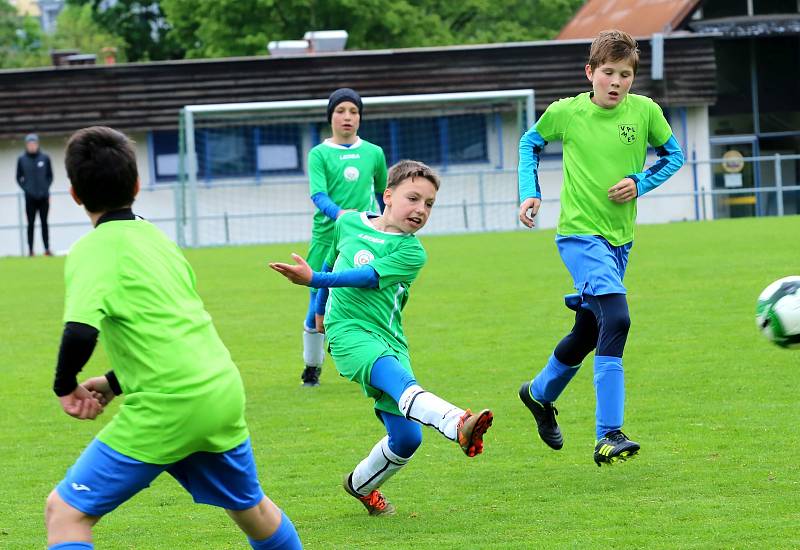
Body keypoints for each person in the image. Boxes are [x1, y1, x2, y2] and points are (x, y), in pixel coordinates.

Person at [45, 126, 302, 550]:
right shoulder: (158, 240)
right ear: (137, 186)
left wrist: (64, 385)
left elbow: (79, 332)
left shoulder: (91, 250)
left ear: (74, 194)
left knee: (65, 512)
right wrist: (113, 382)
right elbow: (172, 331)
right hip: (218, 391)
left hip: (170, 405)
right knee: (253, 510)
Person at [270, 160, 493, 516]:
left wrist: (314, 281)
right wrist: (319, 308)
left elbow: (365, 276)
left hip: (389, 338)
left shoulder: (411, 251)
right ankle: (457, 423)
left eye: (429, 204)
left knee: (407, 438)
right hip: (348, 333)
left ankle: (360, 485)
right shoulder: (347, 222)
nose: (421, 210)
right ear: (388, 195)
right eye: (414, 198)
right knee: (401, 383)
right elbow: (329, 264)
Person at [516, 30, 685, 467]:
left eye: (625, 74)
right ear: (590, 72)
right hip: (579, 234)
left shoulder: (645, 112)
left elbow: (674, 155)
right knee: (619, 318)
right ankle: (608, 433)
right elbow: (529, 143)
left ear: (633, 77)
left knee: (590, 330)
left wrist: (639, 183)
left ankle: (538, 394)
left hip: (620, 240)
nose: (615, 81)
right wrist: (529, 191)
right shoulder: (566, 113)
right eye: (608, 72)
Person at [300, 88, 388, 387]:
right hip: (327, 236)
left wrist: (390, 224)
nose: (347, 117)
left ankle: (369, 360)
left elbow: (383, 194)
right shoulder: (319, 154)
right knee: (316, 303)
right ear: (331, 117)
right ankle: (312, 366)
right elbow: (318, 194)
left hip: (363, 239)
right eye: (341, 111)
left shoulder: (374, 152)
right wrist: (342, 216)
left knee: (362, 297)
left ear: (360, 117)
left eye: (353, 111)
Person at [16, 133, 54, 256]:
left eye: (34, 143)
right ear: (26, 145)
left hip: (44, 197)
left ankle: (47, 249)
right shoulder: (21, 159)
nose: (32, 146)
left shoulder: (45, 158)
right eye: (29, 144)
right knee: (30, 224)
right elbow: (18, 177)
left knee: (44, 223)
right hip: (30, 198)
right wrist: (26, 189)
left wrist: (45, 189)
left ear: (37, 144)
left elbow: (50, 176)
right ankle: (31, 251)